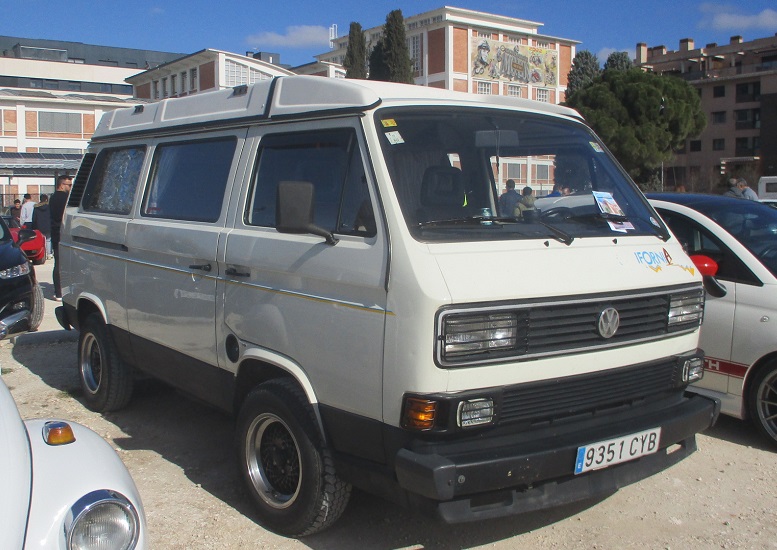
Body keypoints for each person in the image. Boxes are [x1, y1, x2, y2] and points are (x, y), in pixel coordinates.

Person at [49, 174, 72, 301]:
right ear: (62, 184)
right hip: (63, 232)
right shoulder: (65, 199)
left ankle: (58, 291)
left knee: (57, 262)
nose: (70, 187)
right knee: (62, 263)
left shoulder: (52, 198)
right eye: (69, 185)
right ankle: (61, 291)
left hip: (55, 233)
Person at [32, 194, 52, 258]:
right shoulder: (50, 207)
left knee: (41, 240)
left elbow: (34, 218)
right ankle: (49, 253)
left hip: (39, 226)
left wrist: (34, 227)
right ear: (46, 199)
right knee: (48, 240)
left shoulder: (36, 208)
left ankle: (43, 254)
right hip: (48, 225)